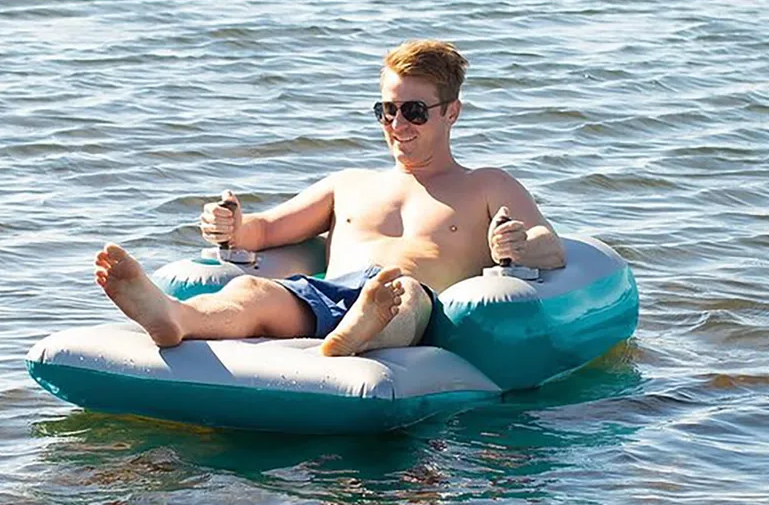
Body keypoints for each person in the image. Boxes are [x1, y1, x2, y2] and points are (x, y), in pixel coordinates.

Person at [95, 39, 566, 356]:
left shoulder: (486, 185)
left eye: (415, 112)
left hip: (409, 300)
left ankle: (358, 333)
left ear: (452, 113)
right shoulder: (349, 184)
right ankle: (174, 317)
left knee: (399, 296)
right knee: (252, 291)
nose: (397, 125)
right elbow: (267, 230)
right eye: (387, 111)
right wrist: (231, 226)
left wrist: (519, 244)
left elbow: (550, 244)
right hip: (326, 294)